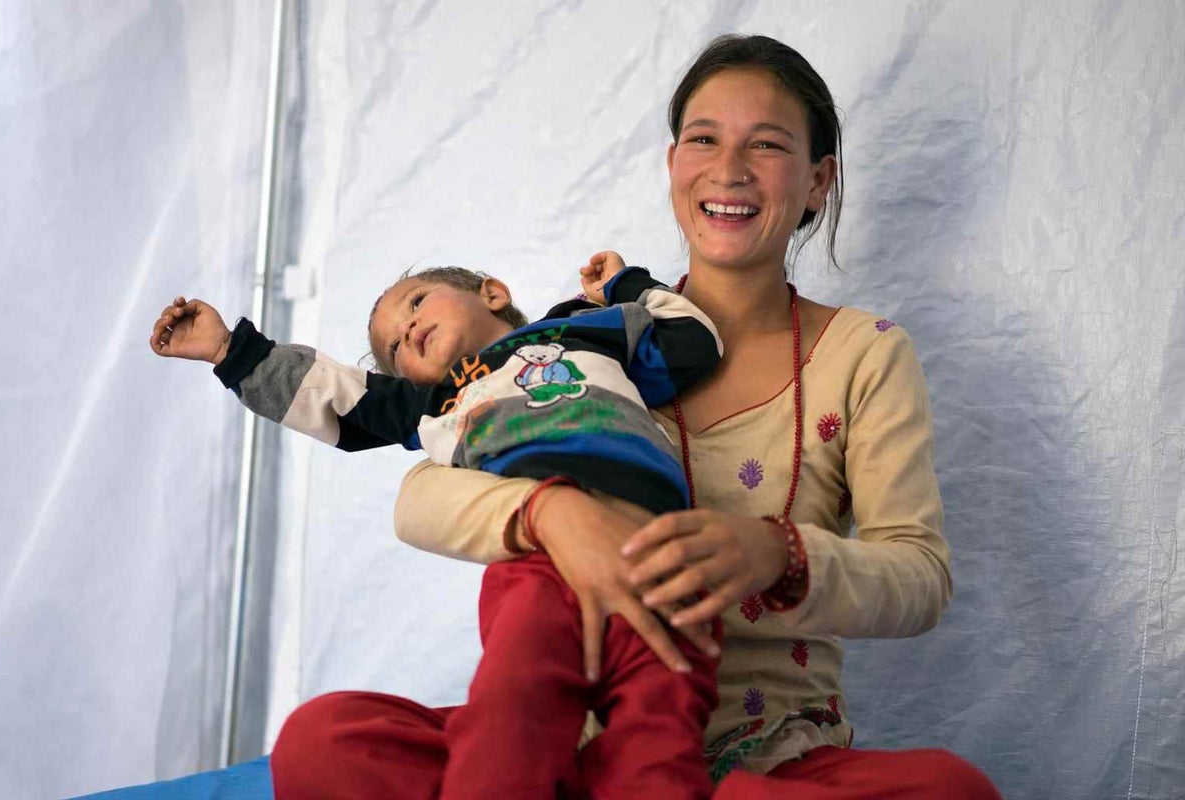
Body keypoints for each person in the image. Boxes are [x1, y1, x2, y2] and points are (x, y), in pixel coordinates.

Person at [266, 33, 1002, 800]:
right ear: (673, 163)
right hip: (571, 742)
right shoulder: (581, 340)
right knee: (324, 742)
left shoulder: (863, 353)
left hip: (767, 757)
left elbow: (919, 575)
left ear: (819, 180)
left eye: (767, 144)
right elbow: (422, 490)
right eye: (704, 139)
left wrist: (774, 553)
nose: (729, 169)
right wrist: (553, 515)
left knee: (950, 791)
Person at [149, 250, 726, 799]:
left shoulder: (582, 329)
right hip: (539, 571)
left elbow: (695, 342)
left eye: (417, 302)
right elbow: (325, 390)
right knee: (514, 712)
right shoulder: (435, 404)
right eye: (394, 348)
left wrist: (626, 284)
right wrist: (228, 349)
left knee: (659, 740)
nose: (406, 331)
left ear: (492, 293)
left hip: (664, 558)